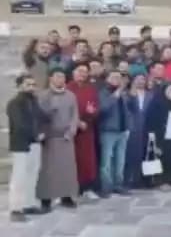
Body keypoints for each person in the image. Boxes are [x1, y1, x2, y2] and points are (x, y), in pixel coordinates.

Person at [37, 67, 79, 210]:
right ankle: (46, 198)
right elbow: (39, 117)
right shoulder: (43, 96)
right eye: (57, 76)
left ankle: (66, 197)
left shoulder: (71, 96)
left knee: (67, 169)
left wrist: (71, 131)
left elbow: (75, 116)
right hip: (49, 138)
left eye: (62, 76)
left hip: (66, 138)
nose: (60, 79)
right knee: (48, 170)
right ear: (51, 78)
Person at [7, 74, 47, 221]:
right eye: (27, 85)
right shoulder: (15, 103)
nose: (31, 87)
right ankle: (15, 209)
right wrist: (36, 135)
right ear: (19, 86)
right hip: (21, 144)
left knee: (32, 175)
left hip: (35, 143)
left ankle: (28, 204)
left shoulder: (34, 101)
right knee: (19, 177)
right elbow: (20, 125)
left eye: (33, 84)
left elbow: (43, 117)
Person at [67, 63, 99, 200]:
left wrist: (91, 114)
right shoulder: (68, 88)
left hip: (87, 130)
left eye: (85, 72)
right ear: (74, 73)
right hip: (70, 130)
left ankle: (87, 188)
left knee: (87, 161)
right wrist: (77, 122)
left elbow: (95, 107)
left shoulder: (90, 89)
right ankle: (70, 190)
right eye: (80, 71)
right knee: (71, 161)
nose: (82, 74)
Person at [98, 70, 132, 197]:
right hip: (108, 131)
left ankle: (118, 184)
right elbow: (103, 108)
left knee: (120, 160)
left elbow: (127, 111)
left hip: (122, 130)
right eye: (114, 77)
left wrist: (128, 127)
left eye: (119, 78)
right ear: (108, 79)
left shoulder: (123, 94)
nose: (117, 80)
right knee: (106, 160)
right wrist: (115, 96)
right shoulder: (103, 92)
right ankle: (106, 187)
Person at [147, 83, 171, 189]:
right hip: (160, 135)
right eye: (168, 90)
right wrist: (152, 134)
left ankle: (169, 180)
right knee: (160, 157)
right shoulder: (157, 103)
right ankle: (160, 181)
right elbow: (151, 119)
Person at [124, 73, 154, 189]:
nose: (141, 81)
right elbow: (126, 111)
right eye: (138, 79)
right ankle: (130, 179)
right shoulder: (128, 95)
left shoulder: (150, 95)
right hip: (133, 128)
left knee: (145, 153)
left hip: (146, 127)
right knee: (132, 154)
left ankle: (144, 179)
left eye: (143, 79)